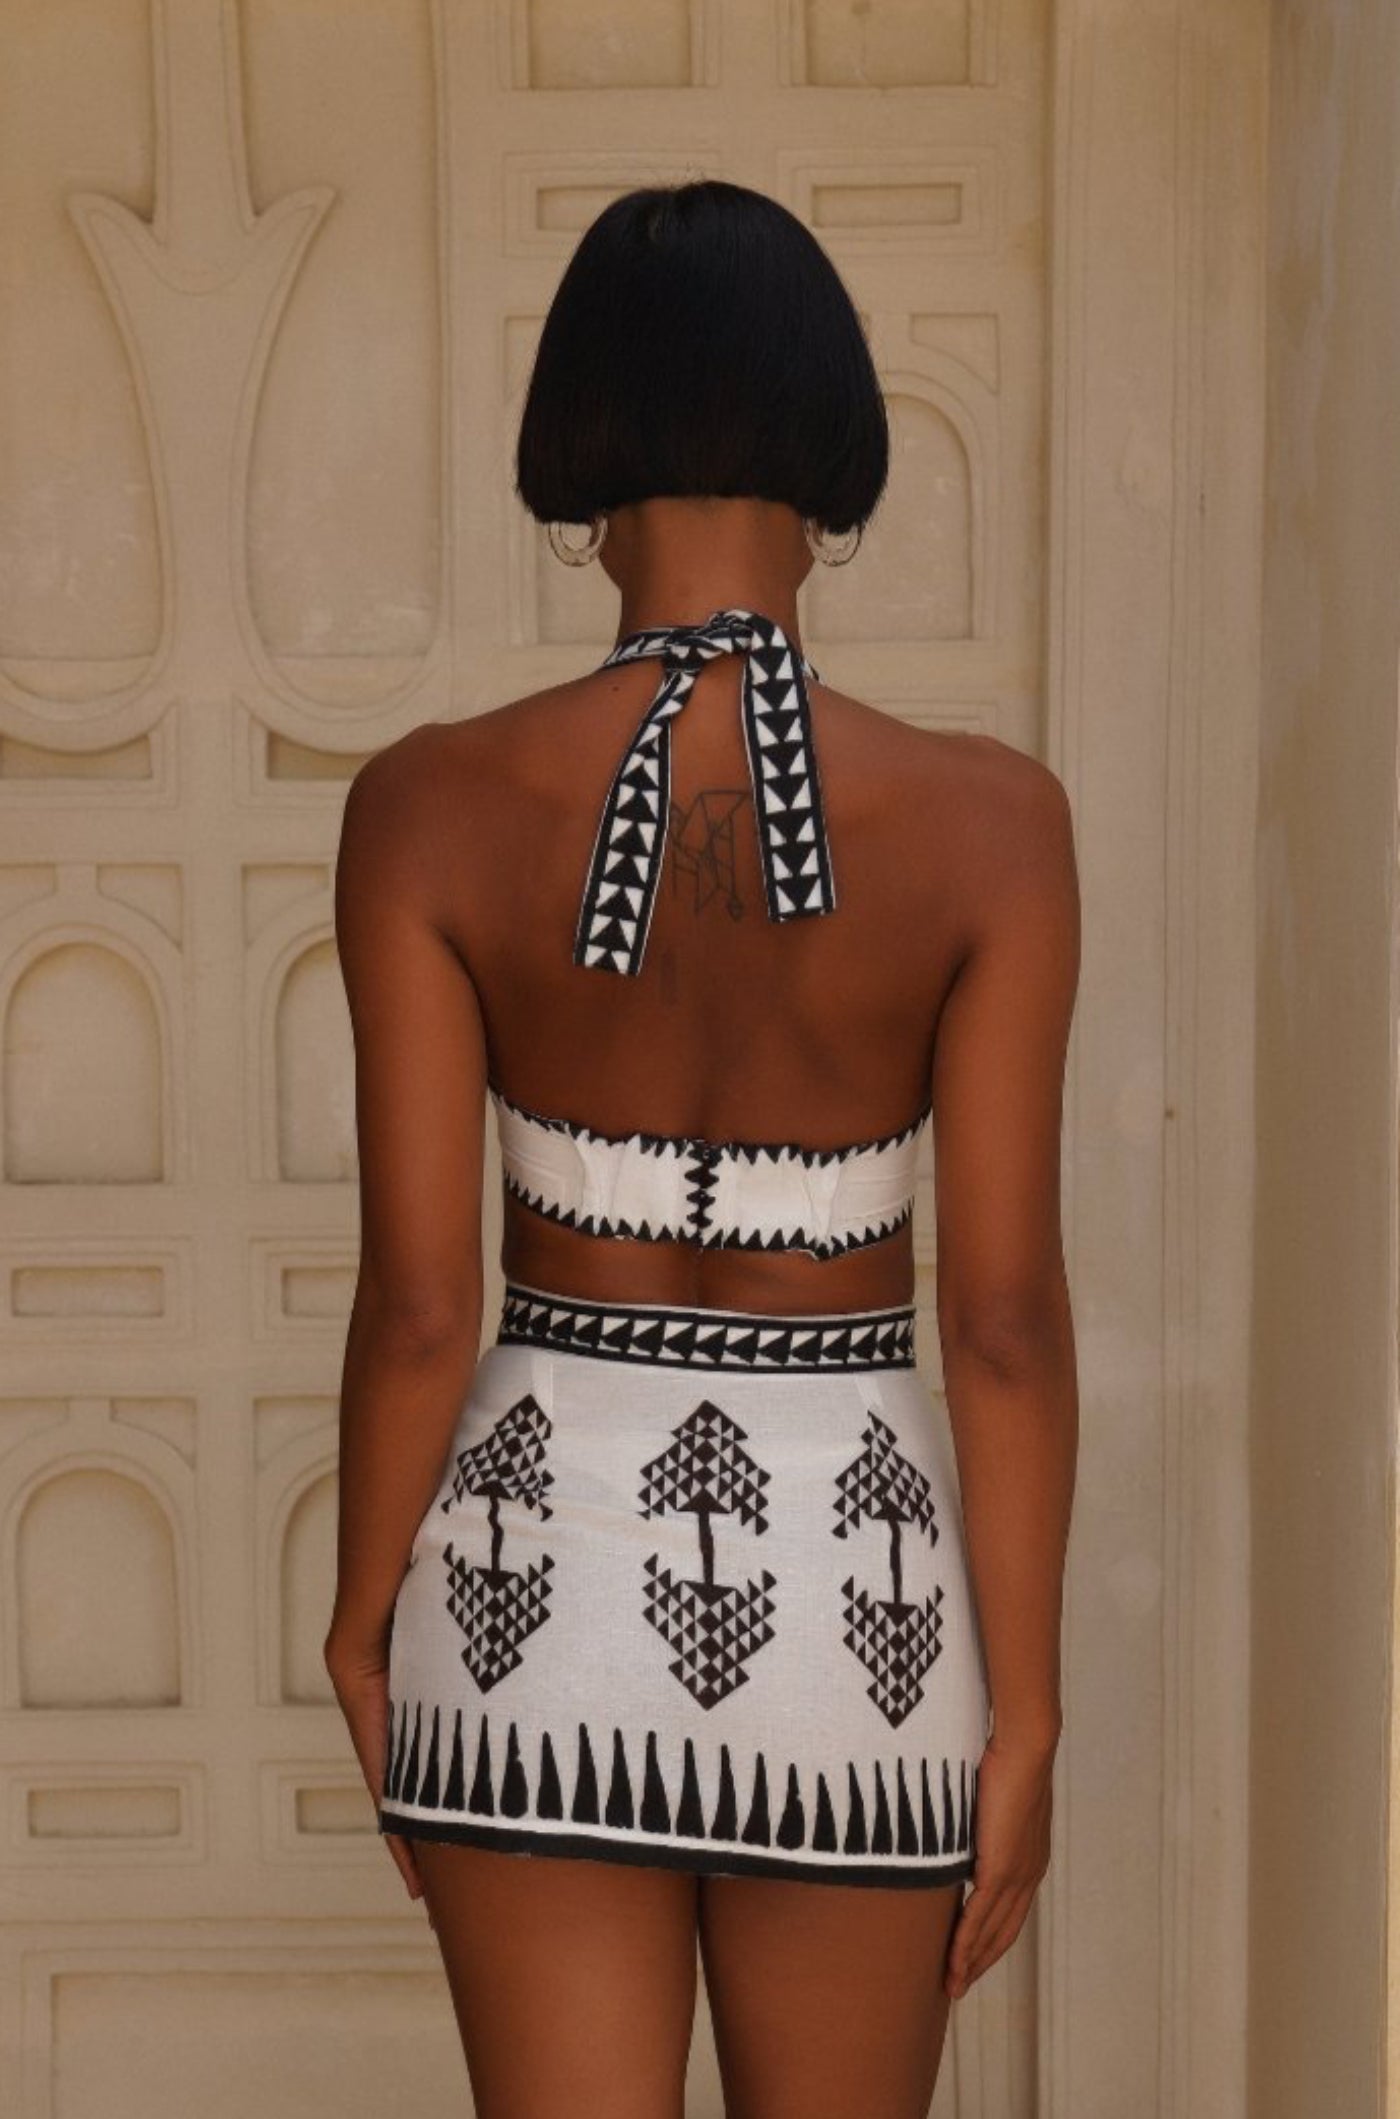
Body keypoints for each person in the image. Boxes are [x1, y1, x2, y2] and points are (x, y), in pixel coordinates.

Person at [324, 178, 1079, 2119]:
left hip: (525, 1611)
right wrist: (1028, 1712)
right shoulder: (995, 826)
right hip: (865, 1618)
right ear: (830, 449)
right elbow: (1000, 1326)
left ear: (581, 449)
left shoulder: (425, 807)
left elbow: (419, 1309)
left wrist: (357, 1622)